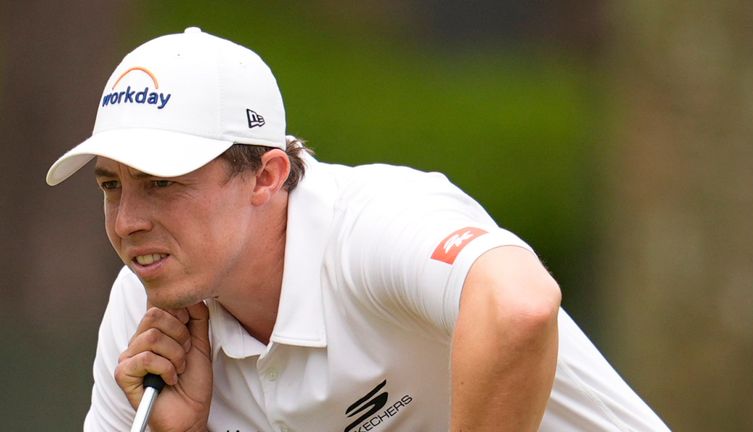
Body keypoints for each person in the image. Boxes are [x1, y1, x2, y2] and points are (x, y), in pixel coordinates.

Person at [46, 27, 669, 432]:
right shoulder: (144, 308)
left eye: (163, 182)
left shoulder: (372, 223)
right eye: (111, 185)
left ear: (266, 176)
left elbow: (521, 307)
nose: (127, 221)